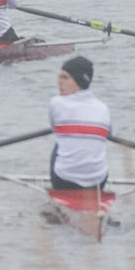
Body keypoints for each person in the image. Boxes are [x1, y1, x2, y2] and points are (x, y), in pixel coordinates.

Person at [47, 55, 110, 196]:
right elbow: (108, 135)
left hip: (64, 182)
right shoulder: (103, 108)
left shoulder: (56, 103)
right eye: (59, 77)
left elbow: (53, 129)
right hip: (98, 183)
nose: (59, 82)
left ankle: (59, 195)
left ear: (79, 80)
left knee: (59, 142)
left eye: (65, 78)